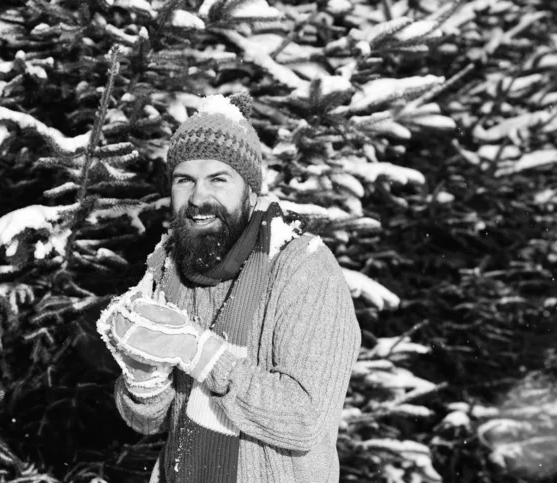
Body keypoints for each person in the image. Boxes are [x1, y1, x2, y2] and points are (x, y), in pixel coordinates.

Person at [97, 92, 361, 483]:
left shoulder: (302, 266)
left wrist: (201, 354)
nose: (198, 197)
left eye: (218, 179)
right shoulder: (169, 266)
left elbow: (304, 418)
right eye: (185, 180)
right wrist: (143, 375)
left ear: (251, 192)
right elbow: (149, 421)